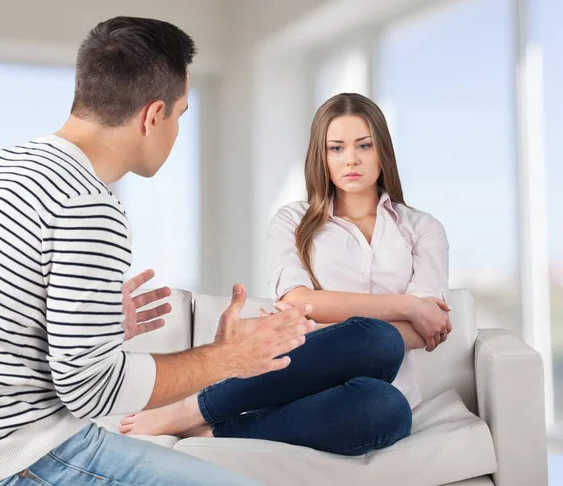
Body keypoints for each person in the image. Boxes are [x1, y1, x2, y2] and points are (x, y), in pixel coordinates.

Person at [0, 17, 316, 486]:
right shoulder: (87, 203)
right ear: (153, 116)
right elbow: (92, 391)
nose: (176, 131)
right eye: (180, 114)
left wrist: (86, 322)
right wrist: (229, 357)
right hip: (18, 455)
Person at [119, 93, 451, 457]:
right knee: (380, 338)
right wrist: (406, 305)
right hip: (300, 380)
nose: (351, 159)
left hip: (379, 390)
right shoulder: (293, 221)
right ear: (321, 156)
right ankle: (191, 409)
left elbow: (423, 330)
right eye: (336, 148)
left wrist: (319, 325)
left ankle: (216, 433)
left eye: (364, 145)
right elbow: (297, 299)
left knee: (388, 404)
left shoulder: (422, 229)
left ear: (382, 150)